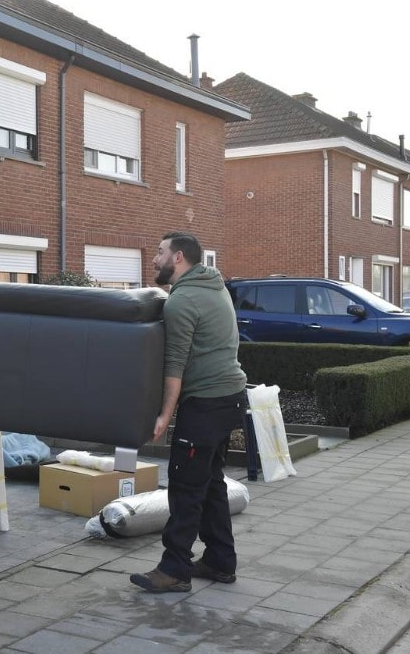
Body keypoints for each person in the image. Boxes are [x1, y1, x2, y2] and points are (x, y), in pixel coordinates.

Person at [130, 231, 248, 593]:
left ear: (178, 258)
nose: (154, 259)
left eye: (160, 252)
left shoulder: (181, 302)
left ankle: (174, 569)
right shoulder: (214, 287)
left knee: (185, 487)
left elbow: (175, 365)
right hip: (231, 398)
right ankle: (219, 561)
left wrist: (164, 416)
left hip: (207, 405)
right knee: (210, 483)